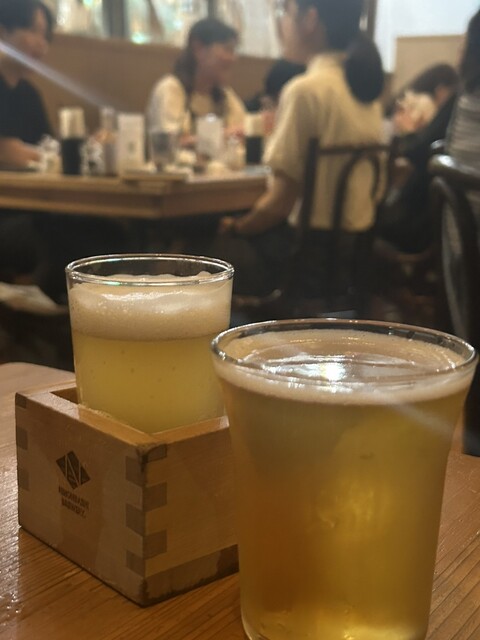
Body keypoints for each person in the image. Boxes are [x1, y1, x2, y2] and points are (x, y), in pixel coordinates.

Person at [214, 0, 384, 295]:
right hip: (352, 257)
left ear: (310, 20)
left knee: (205, 249)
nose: (281, 24)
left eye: (286, 13)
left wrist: (236, 227)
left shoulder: (305, 90)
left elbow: (279, 203)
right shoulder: (366, 93)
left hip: (303, 263)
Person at [0, 0, 54, 284]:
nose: (42, 44)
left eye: (46, 36)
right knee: (61, 236)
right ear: (2, 31)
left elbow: (49, 148)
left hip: (35, 208)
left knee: (106, 230)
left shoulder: (29, 94)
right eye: (33, 31)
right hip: (7, 215)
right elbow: (8, 152)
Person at [147, 18, 246, 140]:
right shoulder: (171, 88)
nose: (233, 58)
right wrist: (227, 134)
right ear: (198, 48)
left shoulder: (226, 96)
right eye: (227, 49)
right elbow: (170, 143)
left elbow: (243, 130)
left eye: (233, 51)